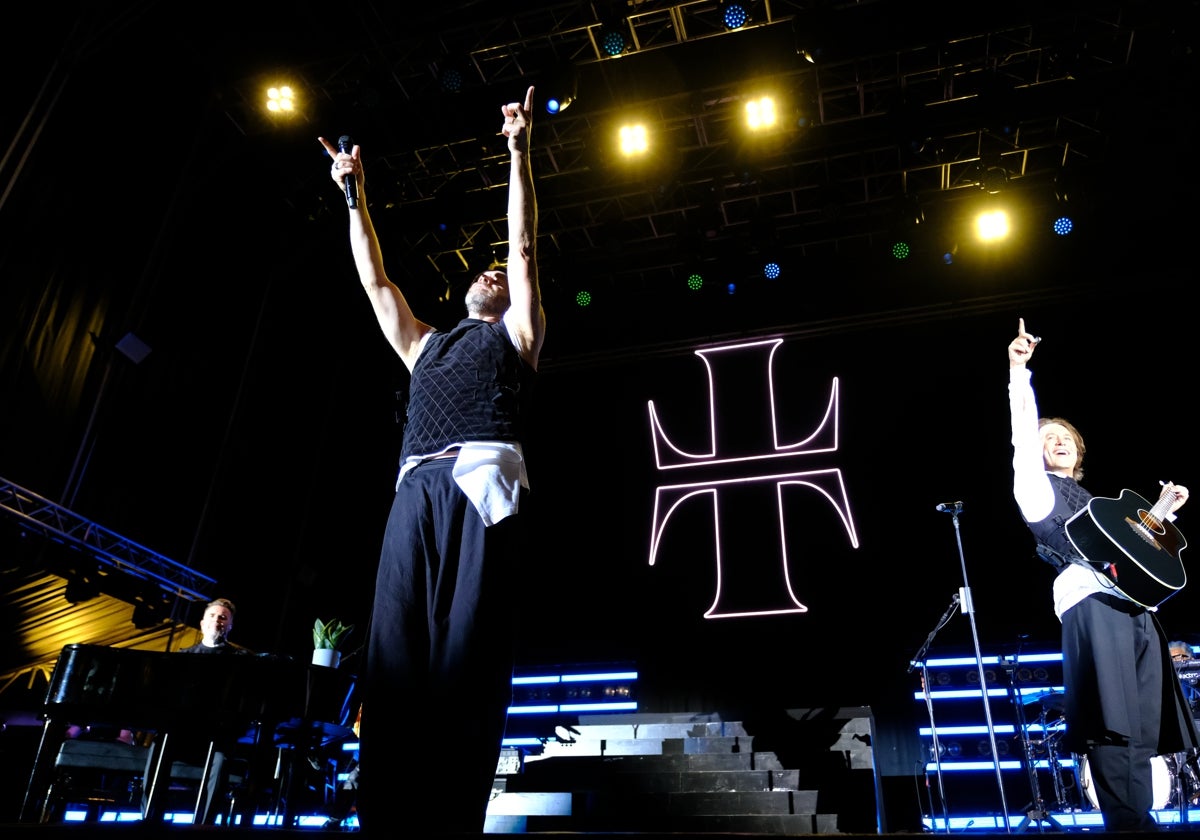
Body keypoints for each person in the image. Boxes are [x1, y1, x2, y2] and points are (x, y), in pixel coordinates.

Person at [317, 85, 544, 832]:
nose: (493, 272)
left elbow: (522, 245)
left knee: (465, 655)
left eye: (501, 277)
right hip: (415, 491)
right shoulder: (423, 345)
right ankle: (384, 813)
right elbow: (373, 280)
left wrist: (518, 153)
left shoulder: (514, 336)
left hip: (483, 484)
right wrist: (355, 197)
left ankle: (452, 816)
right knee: (395, 652)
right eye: (483, 271)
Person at [1007, 317, 1198, 831]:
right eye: (1047, 437)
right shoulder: (1037, 490)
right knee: (1111, 721)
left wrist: (1163, 509)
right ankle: (1125, 820)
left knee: (1138, 721)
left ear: (1079, 448)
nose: (1055, 441)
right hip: (1090, 603)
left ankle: (1137, 816)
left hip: (1134, 606)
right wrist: (1018, 373)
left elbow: (1133, 548)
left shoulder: (1095, 503)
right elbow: (1023, 439)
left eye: (1063, 436)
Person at [142, 598, 253, 824]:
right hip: (182, 736)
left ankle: (205, 823)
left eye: (223, 617)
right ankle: (149, 816)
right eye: (213, 616)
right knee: (158, 745)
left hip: (216, 737)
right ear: (202, 623)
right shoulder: (182, 657)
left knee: (222, 757)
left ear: (229, 626)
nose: (217, 620)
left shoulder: (240, 660)